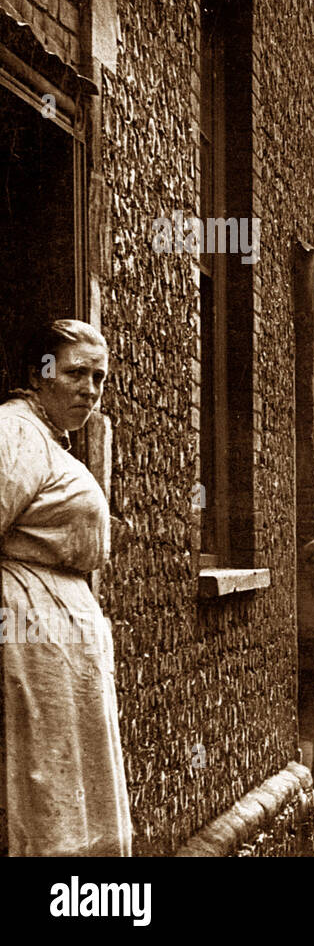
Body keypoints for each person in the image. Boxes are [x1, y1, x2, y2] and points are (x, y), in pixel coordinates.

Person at [0, 320, 132, 856]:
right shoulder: (14, 432)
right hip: (28, 636)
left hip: (60, 643)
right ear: (39, 373)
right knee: (41, 794)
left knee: (73, 792)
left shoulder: (52, 440)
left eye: (99, 377)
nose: (90, 389)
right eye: (77, 372)